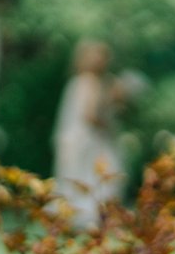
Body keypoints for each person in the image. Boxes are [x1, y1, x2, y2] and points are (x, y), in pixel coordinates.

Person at [52, 39, 126, 228]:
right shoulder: (91, 82)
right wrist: (109, 122)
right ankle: (89, 219)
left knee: (75, 180)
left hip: (73, 140)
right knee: (96, 178)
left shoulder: (77, 81)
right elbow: (90, 115)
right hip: (88, 141)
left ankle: (72, 217)